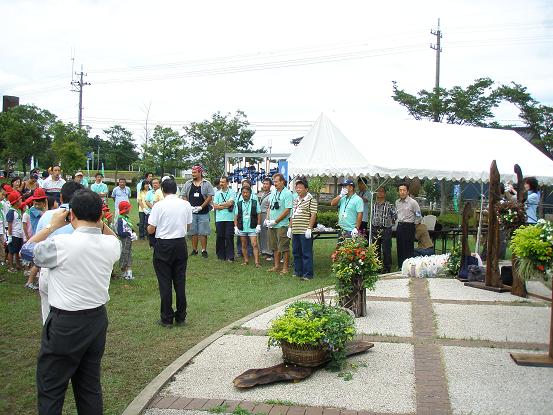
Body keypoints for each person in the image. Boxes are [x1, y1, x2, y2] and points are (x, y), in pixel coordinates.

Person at [32, 189, 121, 415]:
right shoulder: (110, 245)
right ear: (100, 216)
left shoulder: (61, 243)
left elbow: (27, 250)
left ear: (71, 215)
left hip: (65, 323)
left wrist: (51, 226)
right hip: (96, 320)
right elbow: (114, 239)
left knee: (51, 387)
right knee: (89, 386)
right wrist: (101, 224)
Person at [34, 182, 84, 323]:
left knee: (47, 313)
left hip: (48, 269)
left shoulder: (47, 215)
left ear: (61, 197)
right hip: (74, 270)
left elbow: (35, 244)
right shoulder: (82, 218)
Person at [148, 179, 193, 327]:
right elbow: (188, 226)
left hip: (164, 245)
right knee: (180, 282)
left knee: (165, 282)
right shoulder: (185, 204)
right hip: (180, 244)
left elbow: (151, 228)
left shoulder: (159, 205)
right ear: (176, 190)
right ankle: (181, 317)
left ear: (162, 190)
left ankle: (167, 318)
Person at [180, 165, 214, 258]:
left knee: (203, 232)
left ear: (200, 173)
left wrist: (201, 207)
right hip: (191, 212)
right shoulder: (188, 183)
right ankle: (194, 250)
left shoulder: (207, 183)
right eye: (192, 172)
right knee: (193, 232)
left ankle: (204, 250)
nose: (193, 174)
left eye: (195, 172)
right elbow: (183, 195)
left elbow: (210, 196)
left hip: (203, 212)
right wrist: (189, 206)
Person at [288, 177, 318, 280]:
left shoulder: (311, 200)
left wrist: (309, 228)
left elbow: (313, 214)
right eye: (297, 188)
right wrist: (290, 227)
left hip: (304, 230)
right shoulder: (296, 200)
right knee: (296, 252)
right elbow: (293, 215)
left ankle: (308, 274)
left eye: (300, 187)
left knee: (306, 253)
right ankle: (298, 271)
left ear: (306, 189)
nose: (298, 189)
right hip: (295, 230)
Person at [265, 173, 294, 274]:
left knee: (284, 247)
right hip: (272, 224)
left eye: (276, 181)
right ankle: (276, 266)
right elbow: (270, 206)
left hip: (282, 224)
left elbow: (287, 210)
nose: (275, 183)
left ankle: (285, 268)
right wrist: (267, 219)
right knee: (274, 246)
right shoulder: (273, 192)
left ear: (282, 182)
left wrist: (276, 221)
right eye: (274, 181)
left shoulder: (288, 193)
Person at [22, 189, 48, 290]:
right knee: (38, 262)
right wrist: (45, 206)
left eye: (39, 204)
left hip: (42, 236)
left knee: (40, 261)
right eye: (35, 203)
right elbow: (45, 215)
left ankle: (38, 280)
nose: (36, 205)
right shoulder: (33, 210)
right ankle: (30, 281)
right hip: (37, 237)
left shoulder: (39, 209)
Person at [395, 183, 422, 269]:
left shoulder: (413, 202)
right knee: (400, 247)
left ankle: (409, 267)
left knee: (408, 248)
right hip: (400, 226)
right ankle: (401, 267)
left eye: (404, 190)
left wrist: (415, 224)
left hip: (409, 227)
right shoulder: (397, 202)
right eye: (400, 190)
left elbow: (418, 215)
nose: (402, 192)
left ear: (408, 191)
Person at [371, 186, 397, 273]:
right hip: (375, 229)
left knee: (386, 249)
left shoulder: (389, 205)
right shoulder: (373, 205)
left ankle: (387, 268)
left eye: (382, 191)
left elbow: (395, 216)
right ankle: (376, 267)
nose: (380, 193)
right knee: (375, 249)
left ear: (385, 193)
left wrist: (389, 223)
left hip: (386, 229)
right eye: (378, 191)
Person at [234, 186, 261, 267]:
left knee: (254, 244)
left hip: (252, 227)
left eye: (246, 193)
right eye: (243, 193)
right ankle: (246, 261)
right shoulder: (239, 203)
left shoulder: (254, 202)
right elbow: (236, 215)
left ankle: (257, 262)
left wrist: (258, 225)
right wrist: (235, 226)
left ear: (250, 193)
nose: (245, 194)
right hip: (242, 227)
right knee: (244, 245)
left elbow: (259, 213)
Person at [213, 176, 235, 261]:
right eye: (220, 182)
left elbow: (230, 203)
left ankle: (230, 256)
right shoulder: (217, 193)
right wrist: (225, 205)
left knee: (229, 236)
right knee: (220, 236)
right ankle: (221, 256)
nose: (221, 184)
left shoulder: (232, 192)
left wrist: (220, 205)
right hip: (219, 219)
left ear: (227, 183)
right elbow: (215, 206)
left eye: (223, 182)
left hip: (230, 218)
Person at [116, 200, 137, 279]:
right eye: (128, 208)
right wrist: (129, 234)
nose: (129, 209)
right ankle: (124, 271)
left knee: (129, 253)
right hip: (124, 240)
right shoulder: (120, 219)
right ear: (125, 210)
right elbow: (120, 232)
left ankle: (129, 272)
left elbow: (129, 227)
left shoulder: (126, 218)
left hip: (129, 239)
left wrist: (133, 232)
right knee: (125, 254)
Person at [6, 191, 25, 272]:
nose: (21, 201)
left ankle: (17, 265)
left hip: (19, 234)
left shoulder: (17, 211)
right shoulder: (11, 212)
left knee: (17, 251)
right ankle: (10, 267)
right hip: (14, 234)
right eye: (20, 200)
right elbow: (10, 225)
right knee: (11, 251)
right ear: (16, 202)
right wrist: (10, 236)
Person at [257, 177, 273, 261]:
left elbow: (269, 207)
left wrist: (267, 218)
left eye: (267, 184)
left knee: (267, 235)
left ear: (270, 185)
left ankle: (269, 253)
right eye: (264, 183)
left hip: (266, 215)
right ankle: (263, 250)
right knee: (262, 234)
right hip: (261, 215)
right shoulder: (262, 193)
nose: (265, 185)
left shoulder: (271, 195)